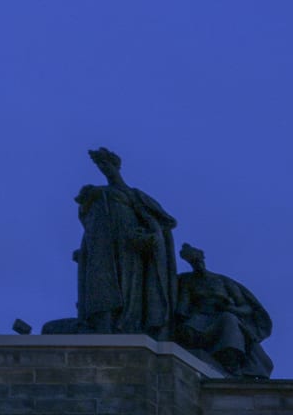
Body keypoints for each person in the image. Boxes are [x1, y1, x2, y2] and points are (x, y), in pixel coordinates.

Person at [49, 147, 178, 338]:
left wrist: (153, 234)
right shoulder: (96, 193)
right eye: (99, 165)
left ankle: (128, 325)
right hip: (101, 244)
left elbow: (160, 220)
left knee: (128, 284)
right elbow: (87, 220)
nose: (103, 168)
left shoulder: (132, 194)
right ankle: (103, 324)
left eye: (105, 164)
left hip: (128, 244)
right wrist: (86, 248)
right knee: (101, 283)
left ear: (116, 165)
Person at [173, 243, 275, 378]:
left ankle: (231, 362)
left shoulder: (222, 281)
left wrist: (230, 308)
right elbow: (183, 305)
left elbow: (246, 307)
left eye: (198, 260)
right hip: (199, 317)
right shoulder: (187, 280)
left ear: (202, 259)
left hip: (221, 316)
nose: (197, 263)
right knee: (186, 332)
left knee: (229, 320)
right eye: (193, 261)